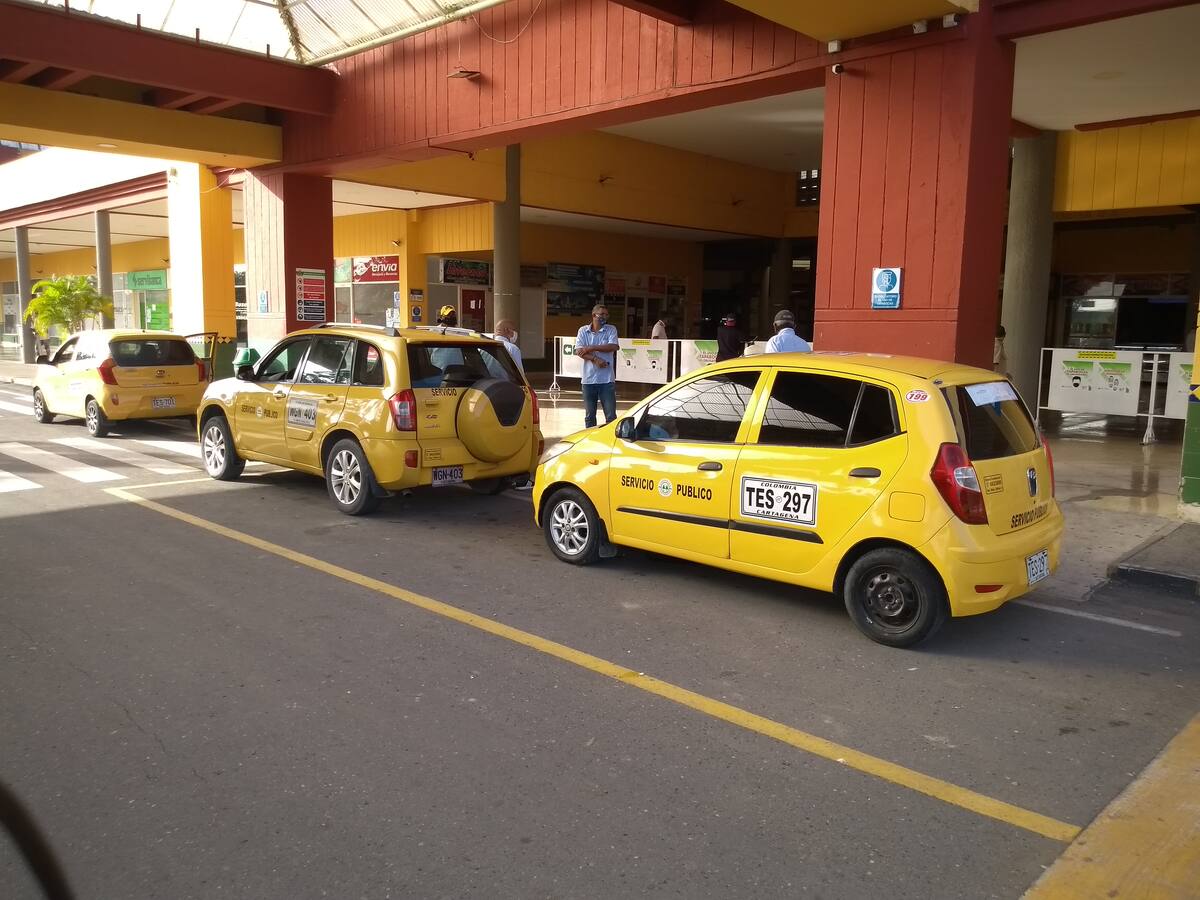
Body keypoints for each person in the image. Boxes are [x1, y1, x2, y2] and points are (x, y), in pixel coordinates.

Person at [575, 304, 619, 428]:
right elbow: (579, 351)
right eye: (602, 314)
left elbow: (613, 346)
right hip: (588, 380)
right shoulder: (583, 331)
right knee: (590, 416)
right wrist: (595, 359)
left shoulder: (611, 329)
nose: (605, 317)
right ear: (594, 315)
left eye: (606, 314)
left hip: (606, 380)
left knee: (611, 416)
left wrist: (592, 347)